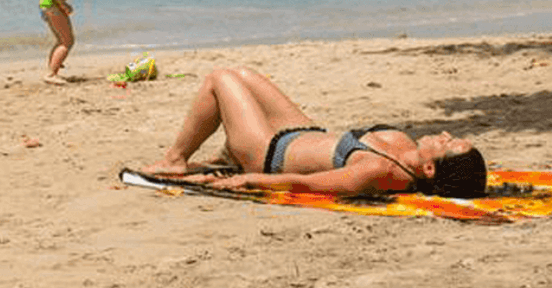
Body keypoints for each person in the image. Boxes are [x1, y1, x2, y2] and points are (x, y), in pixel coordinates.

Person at [140, 67, 487, 197]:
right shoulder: (403, 146)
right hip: (299, 131)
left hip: (267, 154)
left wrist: (250, 181)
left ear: (429, 168)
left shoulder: (378, 172)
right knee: (243, 75)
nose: (443, 133)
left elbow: (308, 185)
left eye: (446, 144)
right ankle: (228, 153)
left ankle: (175, 160)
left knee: (220, 79)